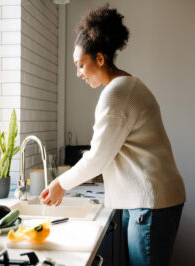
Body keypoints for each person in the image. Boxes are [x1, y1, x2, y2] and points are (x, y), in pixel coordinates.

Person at [40, 4, 186, 266]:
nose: (79, 73)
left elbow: (97, 157)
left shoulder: (116, 93)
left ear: (99, 58)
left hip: (150, 202)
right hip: (149, 200)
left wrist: (60, 184)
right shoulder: (126, 86)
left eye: (81, 65)